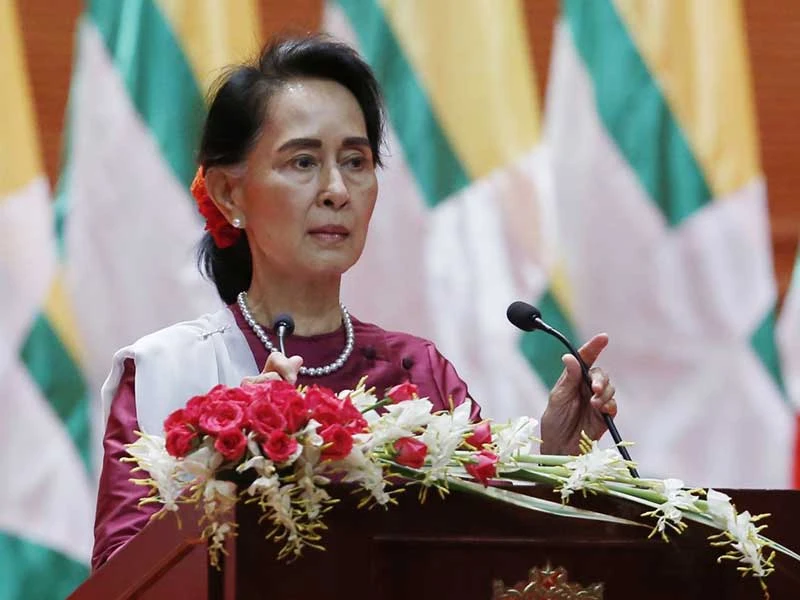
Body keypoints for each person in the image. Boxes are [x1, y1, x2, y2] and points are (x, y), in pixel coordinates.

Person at [91, 35, 618, 571]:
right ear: (230, 193)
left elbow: (487, 553)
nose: (337, 190)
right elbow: (122, 576)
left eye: (355, 161)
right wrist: (235, 468)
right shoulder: (167, 373)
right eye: (302, 161)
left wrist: (555, 453)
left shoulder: (418, 371)